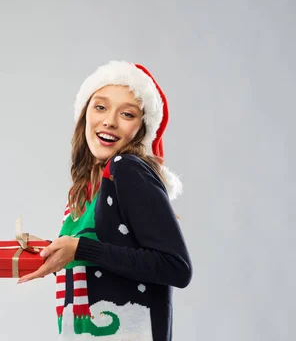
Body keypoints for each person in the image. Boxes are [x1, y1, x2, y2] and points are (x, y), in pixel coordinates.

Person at [18, 60, 193, 340]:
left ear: (142, 129)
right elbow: (103, 269)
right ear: (85, 113)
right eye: (100, 107)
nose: (109, 120)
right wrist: (54, 253)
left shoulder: (126, 169)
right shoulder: (83, 192)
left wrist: (81, 249)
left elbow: (176, 267)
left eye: (127, 114)